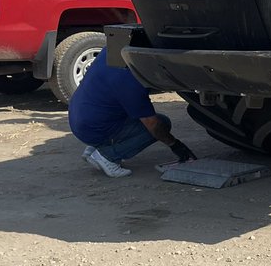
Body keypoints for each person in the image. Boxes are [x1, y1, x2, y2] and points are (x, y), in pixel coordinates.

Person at [68, 47, 196, 178]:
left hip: (79, 117)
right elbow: (152, 124)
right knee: (162, 123)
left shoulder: (113, 51)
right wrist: (175, 145)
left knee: (118, 109)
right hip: (95, 128)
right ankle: (107, 156)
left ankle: (94, 147)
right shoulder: (131, 83)